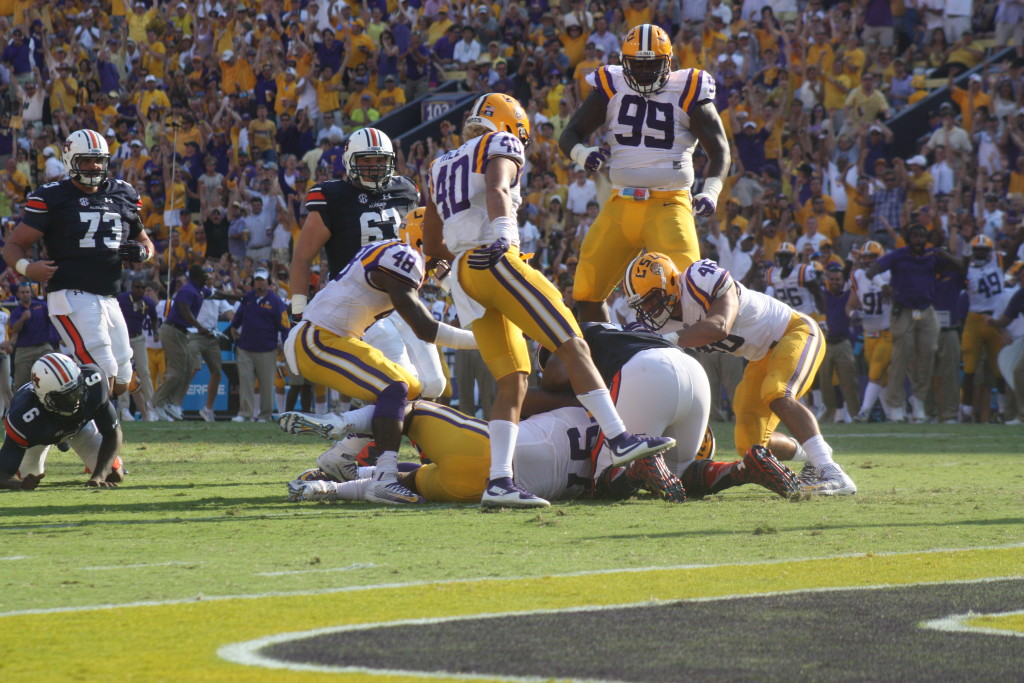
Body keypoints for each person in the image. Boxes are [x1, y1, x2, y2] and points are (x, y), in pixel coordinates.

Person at [422, 92, 675, 508]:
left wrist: (458, 274)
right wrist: (506, 238)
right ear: (510, 126)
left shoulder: (438, 166)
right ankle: (620, 438)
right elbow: (497, 188)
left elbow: (432, 243)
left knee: (513, 379)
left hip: (466, 277)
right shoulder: (500, 143)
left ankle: (500, 480)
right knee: (573, 341)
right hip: (495, 258)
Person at [623, 253, 856, 495]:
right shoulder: (657, 323)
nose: (649, 309)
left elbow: (720, 325)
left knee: (777, 392)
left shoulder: (697, 278)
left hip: (794, 332)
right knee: (750, 444)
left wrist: (667, 340)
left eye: (652, 300)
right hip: (760, 358)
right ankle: (812, 456)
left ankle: (832, 471)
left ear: (670, 283)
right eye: (642, 305)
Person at [277, 235, 478, 505]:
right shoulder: (404, 257)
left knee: (411, 392)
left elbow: (452, 284)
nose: (446, 248)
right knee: (395, 387)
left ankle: (341, 452)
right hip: (318, 338)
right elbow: (426, 328)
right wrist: (482, 342)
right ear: (421, 238)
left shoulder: (402, 254)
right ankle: (383, 479)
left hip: (337, 336)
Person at [558, 24, 731, 322]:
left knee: (687, 292)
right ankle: (606, 357)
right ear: (624, 62)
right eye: (637, 65)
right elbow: (570, 133)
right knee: (585, 291)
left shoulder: (687, 88)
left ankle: (680, 363)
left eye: (652, 65)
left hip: (669, 204)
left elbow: (720, 151)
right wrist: (582, 153)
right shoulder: (611, 85)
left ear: (668, 62)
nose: (644, 72)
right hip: (619, 206)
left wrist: (710, 191)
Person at [3, 129, 157, 398]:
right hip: (71, 293)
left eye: (98, 160)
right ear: (70, 160)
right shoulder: (52, 196)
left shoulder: (122, 193)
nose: (94, 166)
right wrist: (28, 268)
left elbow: (146, 242)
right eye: (85, 160)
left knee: (122, 376)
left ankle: (58, 413)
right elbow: (13, 246)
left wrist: (144, 253)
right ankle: (97, 437)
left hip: (109, 296)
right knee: (102, 366)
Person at [289, 127, 419, 314]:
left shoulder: (405, 190)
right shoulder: (333, 196)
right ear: (350, 161)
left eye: (380, 160)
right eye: (366, 160)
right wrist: (299, 310)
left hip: (399, 300)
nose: (374, 166)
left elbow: (420, 242)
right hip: (350, 302)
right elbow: (302, 258)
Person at [865, 223, 963, 422]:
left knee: (926, 357)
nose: (918, 240)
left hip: (926, 311)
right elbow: (871, 271)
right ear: (909, 238)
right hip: (903, 311)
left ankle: (918, 401)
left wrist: (948, 257)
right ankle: (896, 405)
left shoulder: (932, 255)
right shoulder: (899, 255)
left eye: (922, 236)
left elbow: (961, 268)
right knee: (902, 358)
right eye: (915, 236)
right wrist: (883, 285)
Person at [0, 353, 124, 490]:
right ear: (43, 398)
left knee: (113, 475)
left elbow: (113, 433)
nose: (74, 401)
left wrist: (98, 476)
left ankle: (64, 439)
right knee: (31, 477)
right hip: (38, 438)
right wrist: (18, 484)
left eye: (76, 392)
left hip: (79, 427)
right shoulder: (24, 415)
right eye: (64, 398)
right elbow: (2, 474)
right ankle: (58, 442)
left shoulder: (94, 380)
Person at [150, 265, 213, 421]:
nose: (207, 279)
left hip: (181, 332)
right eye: (205, 276)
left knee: (188, 367)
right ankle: (156, 402)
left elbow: (215, 293)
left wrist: (237, 297)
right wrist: (200, 327)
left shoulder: (198, 289)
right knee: (177, 371)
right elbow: (185, 310)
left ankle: (171, 403)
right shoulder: (187, 290)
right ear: (197, 277)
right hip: (173, 331)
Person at [230, 268, 288, 423]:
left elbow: (284, 326)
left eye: (262, 280)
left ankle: (265, 414)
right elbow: (238, 317)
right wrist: (234, 327)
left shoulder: (276, 302)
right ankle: (245, 413)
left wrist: (285, 346)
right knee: (246, 381)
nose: (259, 282)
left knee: (267, 383)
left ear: (269, 283)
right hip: (245, 347)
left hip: (267, 349)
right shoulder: (248, 298)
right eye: (257, 280)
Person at [959, 235, 1005, 421]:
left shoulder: (999, 262)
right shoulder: (967, 269)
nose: (980, 253)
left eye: (983, 250)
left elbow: (1016, 244)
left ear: (989, 251)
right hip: (974, 319)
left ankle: (1002, 410)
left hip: (996, 319)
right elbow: (960, 269)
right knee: (969, 367)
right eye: (977, 250)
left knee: (999, 368)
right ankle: (966, 411)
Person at [848, 241, 894, 421]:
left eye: (872, 257)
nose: (868, 260)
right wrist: (853, 313)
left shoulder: (890, 274)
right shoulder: (857, 276)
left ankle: (864, 411)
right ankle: (892, 415)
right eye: (865, 257)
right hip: (868, 333)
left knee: (875, 372)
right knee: (880, 376)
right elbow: (850, 305)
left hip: (887, 331)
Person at [115, 279, 158, 422]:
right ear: (131, 287)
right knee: (122, 370)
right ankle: (124, 409)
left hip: (138, 338)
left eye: (142, 287)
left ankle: (151, 407)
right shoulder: (122, 299)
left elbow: (154, 318)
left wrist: (156, 332)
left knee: (144, 371)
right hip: (123, 338)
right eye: (137, 287)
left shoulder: (148, 302)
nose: (140, 289)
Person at [9, 282, 55, 388]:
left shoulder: (42, 306)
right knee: (21, 384)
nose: (25, 294)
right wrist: (23, 319)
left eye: (27, 292)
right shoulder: (16, 312)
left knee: (50, 378)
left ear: (31, 293)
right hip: (24, 350)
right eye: (22, 292)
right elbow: (15, 329)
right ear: (18, 294)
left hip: (43, 347)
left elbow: (53, 321)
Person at [763, 242, 825, 317]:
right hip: (787, 317)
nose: (783, 260)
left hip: (806, 315)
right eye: (781, 256)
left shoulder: (803, 271)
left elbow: (818, 293)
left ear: (795, 258)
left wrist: (822, 315)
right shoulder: (772, 273)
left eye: (787, 256)